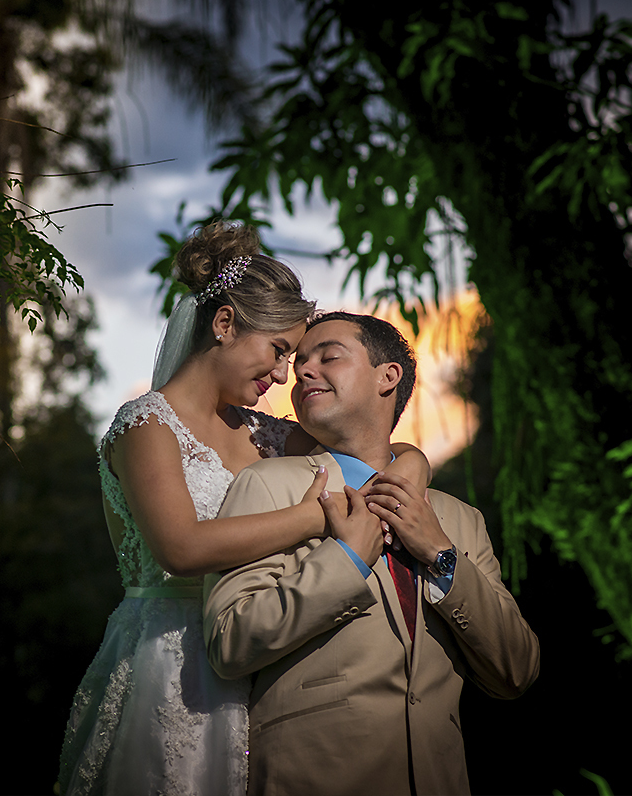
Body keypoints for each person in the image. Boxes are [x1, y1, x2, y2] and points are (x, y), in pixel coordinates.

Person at [57, 225, 431, 796]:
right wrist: (316, 517)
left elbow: (375, 457)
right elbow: (181, 548)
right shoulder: (146, 426)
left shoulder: (268, 436)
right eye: (279, 350)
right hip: (169, 668)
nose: (285, 375)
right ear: (226, 324)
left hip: (258, 661)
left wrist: (415, 468)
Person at [204, 312, 541, 796]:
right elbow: (228, 640)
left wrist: (442, 556)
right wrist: (345, 561)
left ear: (389, 377)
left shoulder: (462, 520)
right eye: (299, 362)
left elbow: (517, 669)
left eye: (329, 356)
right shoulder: (267, 484)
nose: (301, 371)